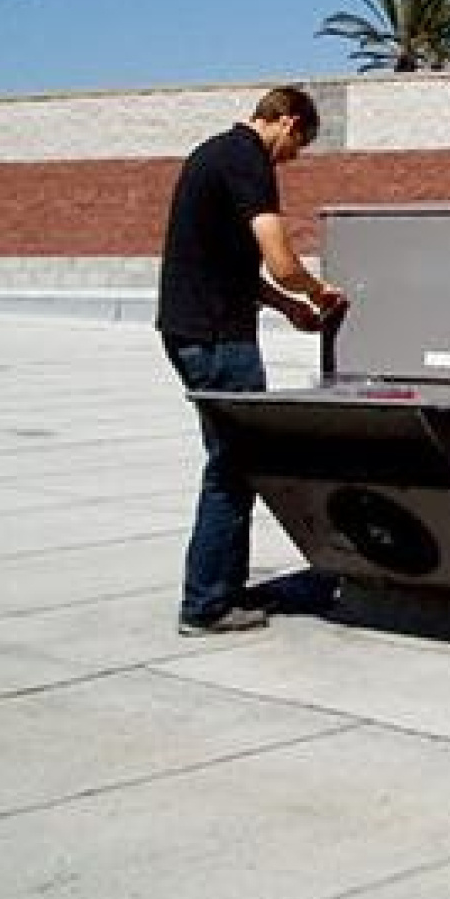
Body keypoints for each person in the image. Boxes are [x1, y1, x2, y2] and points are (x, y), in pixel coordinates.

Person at [157, 85, 346, 635]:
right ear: (286, 122)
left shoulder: (212, 153)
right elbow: (280, 259)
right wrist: (315, 291)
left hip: (191, 329)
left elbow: (237, 269)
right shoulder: (248, 160)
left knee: (230, 464)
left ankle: (218, 590)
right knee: (234, 469)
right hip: (217, 338)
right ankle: (208, 604)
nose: (295, 157)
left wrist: (288, 308)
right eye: (299, 144)